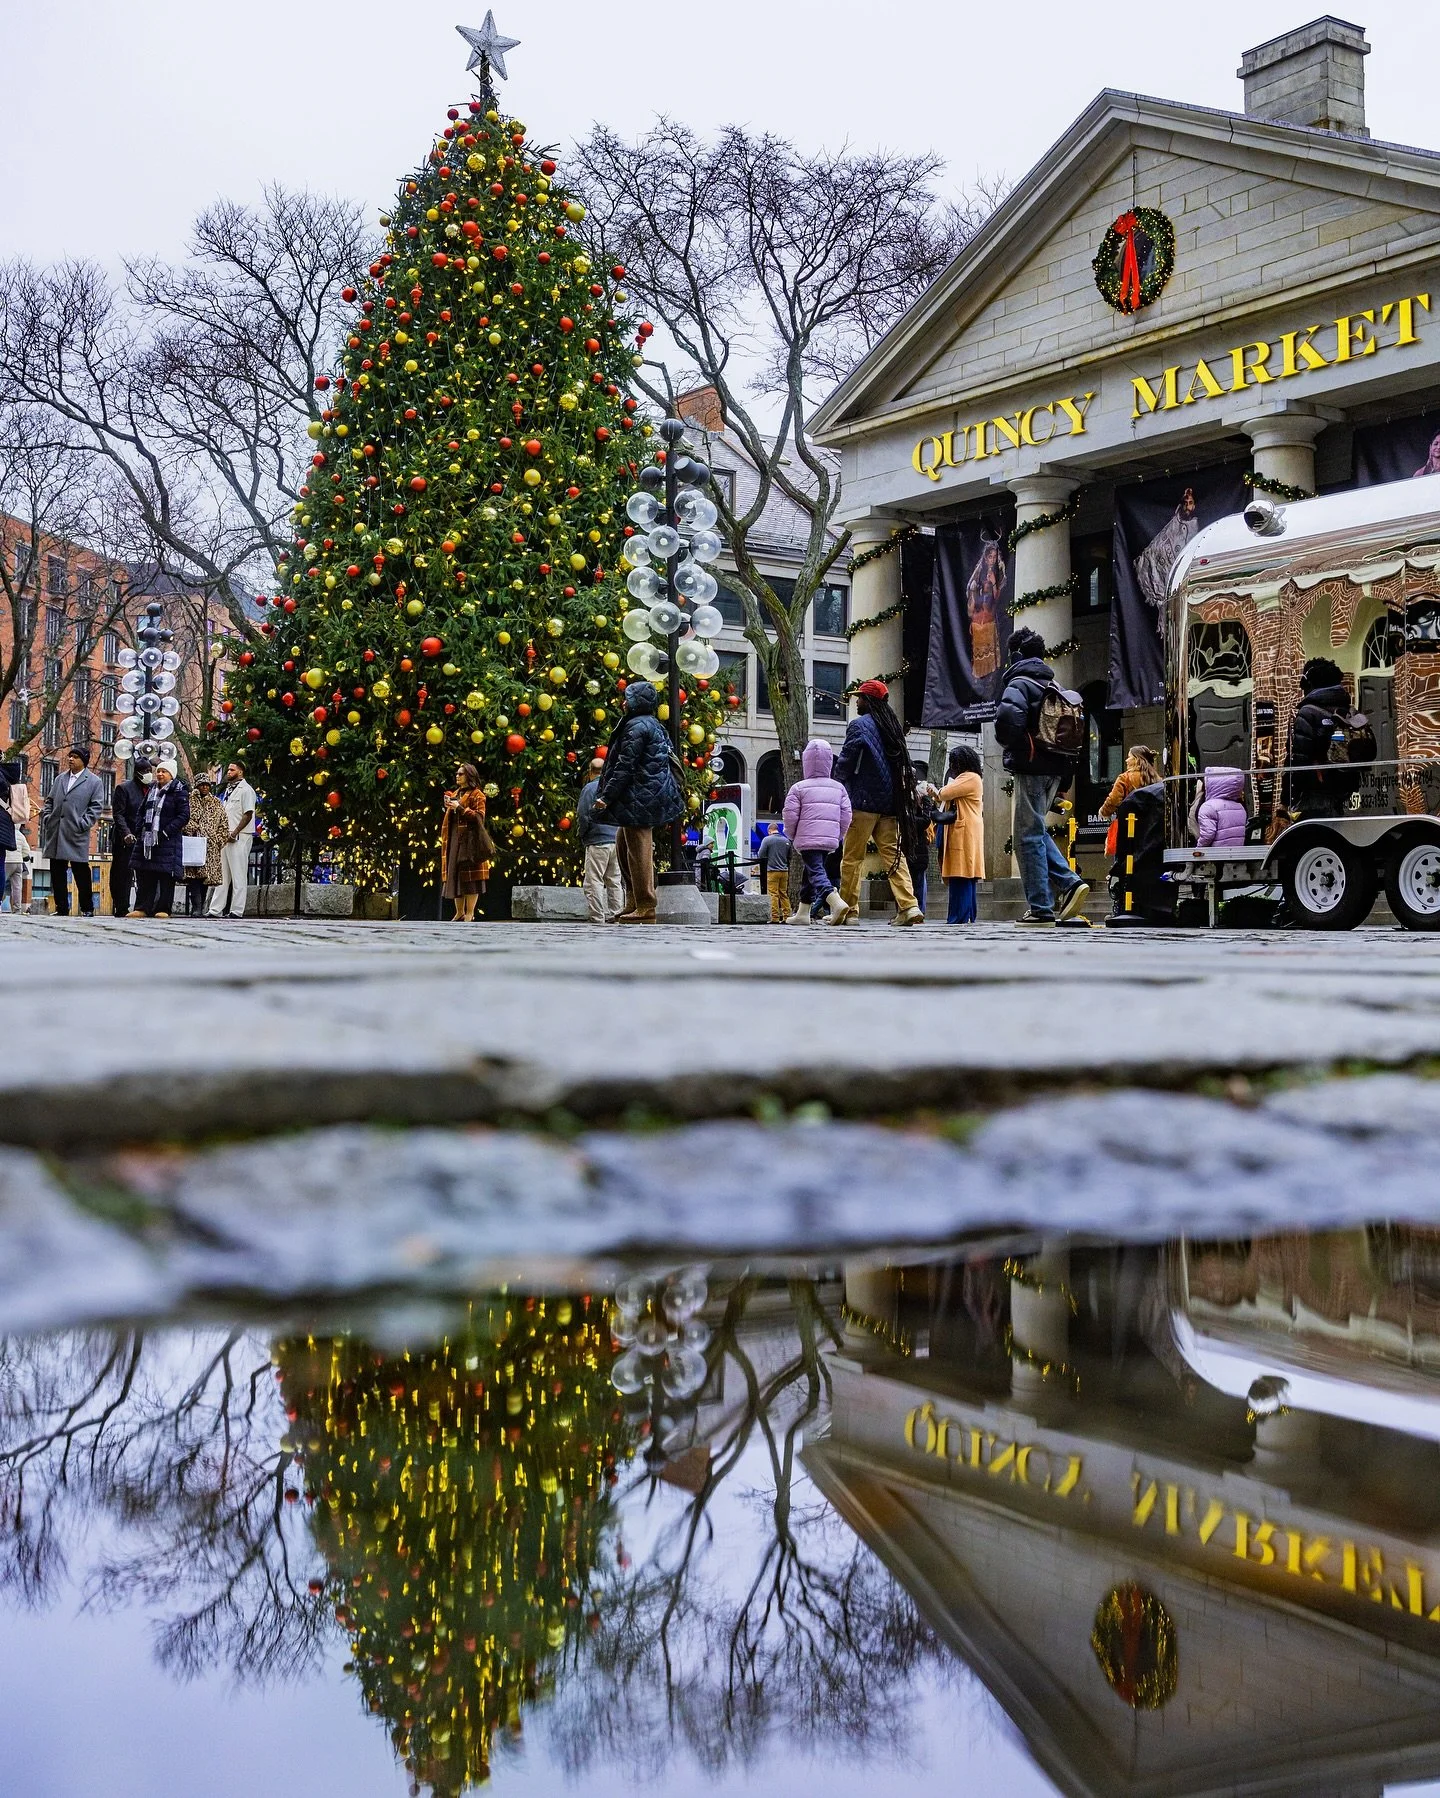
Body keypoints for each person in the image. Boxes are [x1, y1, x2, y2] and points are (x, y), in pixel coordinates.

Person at [994, 628, 1090, 927]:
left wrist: (1016, 747)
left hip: (1033, 766)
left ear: (1016, 655)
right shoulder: (1053, 684)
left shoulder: (1020, 684)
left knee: (1027, 835)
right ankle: (1066, 885)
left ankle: (1041, 906)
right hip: (1055, 770)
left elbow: (1008, 721)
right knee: (1035, 830)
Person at [831, 680, 925, 927]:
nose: (857, 701)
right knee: (894, 856)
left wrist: (837, 785)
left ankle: (849, 911)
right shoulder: (892, 727)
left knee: (852, 858)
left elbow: (846, 762)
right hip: (891, 804)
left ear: (868, 701)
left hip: (862, 802)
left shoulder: (859, 726)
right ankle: (909, 906)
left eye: (860, 697)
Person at [592, 681, 684, 924]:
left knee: (638, 849)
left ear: (636, 702)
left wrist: (606, 796)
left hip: (640, 798)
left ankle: (646, 903)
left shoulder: (637, 727)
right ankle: (634, 900)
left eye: (627, 698)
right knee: (624, 844)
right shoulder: (648, 724)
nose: (623, 702)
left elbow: (624, 766)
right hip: (641, 797)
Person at [781, 739, 852, 924]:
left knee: (816, 872)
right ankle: (803, 912)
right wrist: (837, 836)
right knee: (811, 871)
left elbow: (790, 816)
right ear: (829, 762)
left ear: (806, 761)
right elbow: (846, 816)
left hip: (807, 838)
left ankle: (835, 901)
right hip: (829, 839)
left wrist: (792, 835)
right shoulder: (839, 788)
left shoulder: (798, 788)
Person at [1289, 657, 1360, 819]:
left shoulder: (1308, 713)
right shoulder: (1348, 711)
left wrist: (1286, 799)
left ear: (1308, 683)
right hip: (1343, 790)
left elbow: (1298, 760)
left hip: (1314, 793)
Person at [39, 748, 104, 917]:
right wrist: (48, 818)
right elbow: (50, 801)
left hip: (76, 832)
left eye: (75, 757)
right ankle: (62, 908)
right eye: (70, 756)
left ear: (84, 760)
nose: (71, 759)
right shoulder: (60, 778)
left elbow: (96, 807)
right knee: (57, 871)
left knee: (81, 871)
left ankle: (87, 908)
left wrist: (83, 824)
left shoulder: (94, 781)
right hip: (57, 830)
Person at [131, 763, 190, 917]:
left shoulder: (179, 792)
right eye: (158, 771)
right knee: (146, 874)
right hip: (147, 840)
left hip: (167, 840)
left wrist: (165, 832)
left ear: (172, 774)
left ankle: (163, 909)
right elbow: (141, 811)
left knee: (166, 876)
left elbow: (183, 816)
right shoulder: (152, 790)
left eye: (164, 771)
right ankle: (142, 908)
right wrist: (139, 829)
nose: (160, 774)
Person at [936, 744, 985, 924]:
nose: (952, 766)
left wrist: (936, 791)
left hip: (963, 831)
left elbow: (945, 793)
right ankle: (968, 914)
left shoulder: (968, 777)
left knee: (961, 873)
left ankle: (959, 916)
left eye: (953, 762)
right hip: (968, 830)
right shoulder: (974, 778)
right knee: (966, 874)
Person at [441, 762, 492, 922]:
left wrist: (460, 808)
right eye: (457, 773)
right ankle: (459, 912)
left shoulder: (478, 795)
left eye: (461, 774)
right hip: (455, 838)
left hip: (470, 841)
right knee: (456, 874)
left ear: (469, 776)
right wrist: (449, 806)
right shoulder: (457, 792)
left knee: (471, 877)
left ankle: (470, 913)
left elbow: (479, 817)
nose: (457, 776)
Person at [576, 756, 623, 924]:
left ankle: (597, 917)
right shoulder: (614, 788)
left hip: (597, 841)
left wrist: (583, 834)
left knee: (594, 881)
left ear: (590, 772)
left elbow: (583, 815)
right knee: (614, 881)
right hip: (615, 841)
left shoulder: (589, 789)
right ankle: (616, 914)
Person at [209, 761, 257, 917]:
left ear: (241, 772)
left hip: (239, 836)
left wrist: (235, 832)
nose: (228, 772)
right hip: (225, 836)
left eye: (232, 769)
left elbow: (248, 814)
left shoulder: (246, 790)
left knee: (238, 874)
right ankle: (215, 909)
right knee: (222, 874)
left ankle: (236, 910)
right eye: (228, 769)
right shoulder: (228, 791)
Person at [110, 756, 152, 918]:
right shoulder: (124, 789)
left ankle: (143, 906)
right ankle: (121, 906)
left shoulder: (152, 789)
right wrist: (126, 833)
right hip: (125, 838)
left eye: (150, 771)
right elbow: (118, 814)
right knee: (122, 874)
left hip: (143, 838)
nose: (148, 774)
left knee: (144, 874)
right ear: (137, 773)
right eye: (144, 771)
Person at [183, 772, 230, 916]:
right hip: (193, 842)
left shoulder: (216, 802)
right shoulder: (189, 800)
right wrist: (190, 828)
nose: (205, 787)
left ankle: (201, 907)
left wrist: (218, 840)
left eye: (207, 785)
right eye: (202, 785)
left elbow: (224, 824)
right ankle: (196, 907)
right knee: (193, 877)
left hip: (210, 846)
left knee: (205, 877)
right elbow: (184, 818)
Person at [1098, 746, 1160, 820]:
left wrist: (1104, 812)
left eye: (1129, 757)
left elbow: (1114, 800)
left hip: (1131, 823)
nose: (1126, 760)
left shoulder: (1125, 778)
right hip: (1152, 823)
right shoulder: (1157, 778)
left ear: (1137, 760)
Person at [1194, 765, 1248, 847]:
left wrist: (1199, 847)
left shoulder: (1208, 807)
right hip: (1236, 856)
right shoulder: (1240, 807)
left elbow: (1207, 834)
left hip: (1216, 856)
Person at [757, 822, 793, 924]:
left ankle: (775, 917)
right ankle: (787, 916)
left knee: (773, 894)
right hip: (784, 871)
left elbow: (761, 854)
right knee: (783, 894)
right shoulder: (786, 840)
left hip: (772, 871)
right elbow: (790, 856)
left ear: (769, 831)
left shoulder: (767, 840)